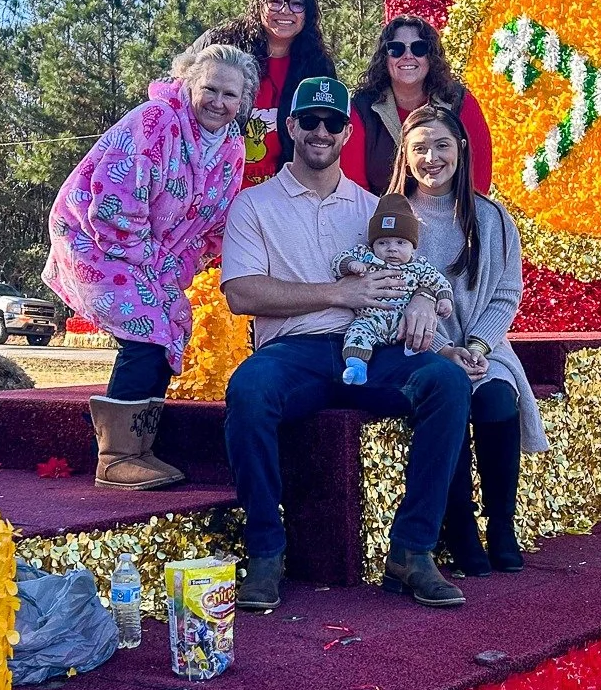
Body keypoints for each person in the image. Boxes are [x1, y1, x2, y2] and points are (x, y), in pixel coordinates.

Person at [219, 73, 474, 612]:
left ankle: (412, 551)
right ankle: (265, 552)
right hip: (294, 353)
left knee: (447, 382)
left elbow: (408, 270)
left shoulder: (371, 207)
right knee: (247, 389)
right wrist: (340, 293)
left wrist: (424, 302)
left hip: (373, 350)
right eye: (309, 120)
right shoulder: (254, 205)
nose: (320, 131)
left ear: (346, 133)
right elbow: (242, 294)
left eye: (332, 122)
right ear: (290, 126)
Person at [44, 41, 259, 490]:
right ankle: (116, 457)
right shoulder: (155, 121)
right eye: (210, 89)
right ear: (188, 83)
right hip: (97, 236)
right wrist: (150, 265)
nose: (219, 102)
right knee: (146, 329)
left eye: (230, 95)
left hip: (159, 255)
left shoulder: (233, 147)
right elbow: (114, 200)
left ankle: (140, 448)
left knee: (172, 326)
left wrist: (174, 268)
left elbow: (214, 219)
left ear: (244, 101)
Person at [390, 103, 546, 574]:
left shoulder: (492, 218)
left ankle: (502, 523)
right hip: (422, 348)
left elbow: (506, 292)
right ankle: (459, 528)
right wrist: (443, 350)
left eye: (440, 145)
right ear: (405, 154)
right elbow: (388, 294)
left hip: (485, 344)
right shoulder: (393, 216)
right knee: (449, 398)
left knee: (499, 399)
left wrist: (477, 346)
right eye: (419, 148)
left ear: (460, 148)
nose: (431, 157)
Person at [207, 0, 338, 186]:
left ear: (308, 12)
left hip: (281, 196)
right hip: (214, 190)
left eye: (297, 3)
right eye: (275, 1)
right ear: (260, 4)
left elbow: (328, 132)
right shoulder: (222, 45)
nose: (285, 11)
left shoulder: (318, 66)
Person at [344, 14, 494, 195]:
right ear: (385, 57)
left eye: (419, 48)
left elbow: (478, 180)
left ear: (431, 56)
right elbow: (354, 187)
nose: (408, 56)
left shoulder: (458, 101)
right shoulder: (362, 107)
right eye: (396, 49)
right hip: (380, 217)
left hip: (451, 216)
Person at [331, 194, 453, 385]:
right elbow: (338, 260)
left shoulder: (419, 266)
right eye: (383, 243)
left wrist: (444, 299)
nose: (391, 249)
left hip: (401, 324)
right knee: (357, 333)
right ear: (373, 244)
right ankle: (357, 367)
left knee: (417, 333)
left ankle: (412, 357)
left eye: (400, 242)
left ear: (413, 247)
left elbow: (439, 281)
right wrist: (351, 264)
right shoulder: (367, 257)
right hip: (370, 320)